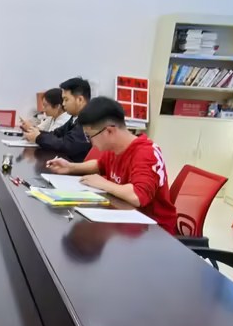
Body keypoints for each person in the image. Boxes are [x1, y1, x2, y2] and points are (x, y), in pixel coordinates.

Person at [46, 96, 177, 233]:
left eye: (89, 136)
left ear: (109, 131)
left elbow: (137, 196)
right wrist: (71, 167)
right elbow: (100, 165)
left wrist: (103, 184)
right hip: (125, 218)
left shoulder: (146, 153)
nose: (90, 142)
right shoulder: (115, 148)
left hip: (153, 230)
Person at [24, 76, 92, 161]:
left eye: (66, 100)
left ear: (80, 100)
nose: (63, 104)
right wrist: (36, 134)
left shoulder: (89, 120)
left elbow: (67, 145)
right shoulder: (74, 118)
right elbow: (57, 133)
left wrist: (39, 137)